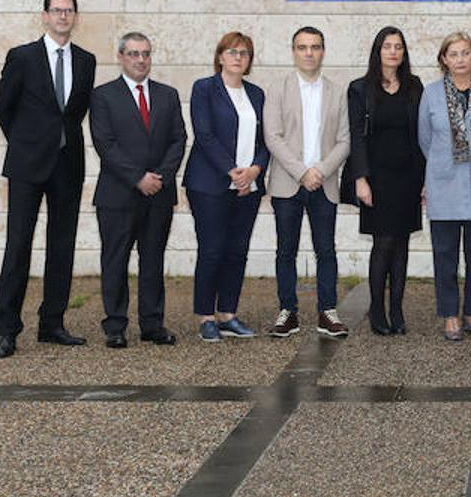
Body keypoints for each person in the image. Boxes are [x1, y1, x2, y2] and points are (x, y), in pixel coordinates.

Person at [0, 0, 97, 359]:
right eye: (57, 10)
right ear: (45, 15)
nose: (63, 16)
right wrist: (26, 142)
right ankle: (8, 330)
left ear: (75, 17)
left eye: (69, 10)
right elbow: (3, 107)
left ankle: (52, 323)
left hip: (67, 166)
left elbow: (75, 110)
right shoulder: (22, 57)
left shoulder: (86, 60)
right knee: (18, 244)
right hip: (26, 165)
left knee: (61, 245)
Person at [88, 32, 187, 348]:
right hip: (118, 195)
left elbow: (178, 139)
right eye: (133, 54)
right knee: (115, 260)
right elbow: (105, 144)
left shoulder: (168, 95)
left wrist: (160, 176)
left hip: (159, 193)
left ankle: (152, 323)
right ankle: (115, 325)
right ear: (120, 57)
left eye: (145, 54)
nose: (140, 60)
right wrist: (137, 178)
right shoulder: (103, 96)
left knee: (153, 260)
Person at [264, 26, 351, 339]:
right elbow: (272, 136)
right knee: (285, 250)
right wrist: (302, 171)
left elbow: (344, 139)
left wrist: (322, 171)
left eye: (315, 47)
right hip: (288, 182)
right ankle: (287, 311)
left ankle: (328, 312)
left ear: (323, 52)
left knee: (325, 250)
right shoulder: (278, 89)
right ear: (293, 51)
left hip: (324, 184)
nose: (309, 53)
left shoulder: (337, 92)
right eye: (303, 47)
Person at [183, 31, 268, 343]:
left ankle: (228, 314)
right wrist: (234, 173)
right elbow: (204, 136)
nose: (238, 57)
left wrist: (255, 170)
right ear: (219, 56)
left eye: (244, 53)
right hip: (210, 184)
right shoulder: (204, 88)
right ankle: (206, 316)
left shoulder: (257, 94)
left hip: (249, 185)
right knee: (213, 248)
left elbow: (266, 139)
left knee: (237, 251)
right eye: (231, 52)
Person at [342, 27, 425, 336]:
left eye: (398, 47)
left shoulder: (415, 87)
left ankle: (397, 309)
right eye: (387, 46)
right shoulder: (360, 88)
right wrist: (360, 179)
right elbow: (356, 137)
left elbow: (422, 135)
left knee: (402, 243)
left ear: (404, 53)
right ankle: (377, 309)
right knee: (383, 242)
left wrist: (425, 179)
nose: (393, 52)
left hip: (408, 177)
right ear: (378, 51)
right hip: (376, 178)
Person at [419, 32, 471, 341]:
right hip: (444, 186)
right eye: (453, 54)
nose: (460, 59)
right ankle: (450, 315)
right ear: (444, 59)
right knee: (445, 256)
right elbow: (425, 139)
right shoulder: (431, 93)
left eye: (466, 53)